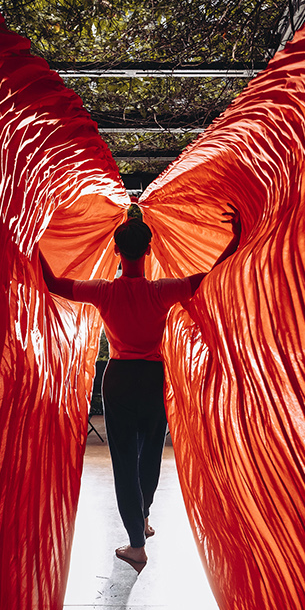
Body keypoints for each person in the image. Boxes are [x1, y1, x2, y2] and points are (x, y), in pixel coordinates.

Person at [38, 202, 241, 573]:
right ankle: (143, 522)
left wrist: (31, 238)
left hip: (118, 379)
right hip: (151, 378)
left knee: (124, 464)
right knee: (149, 455)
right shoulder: (162, 291)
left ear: (116, 250)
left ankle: (136, 543)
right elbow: (210, 277)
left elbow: (52, 283)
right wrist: (236, 238)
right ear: (149, 250)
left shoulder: (103, 292)